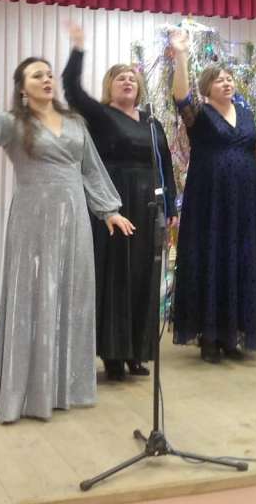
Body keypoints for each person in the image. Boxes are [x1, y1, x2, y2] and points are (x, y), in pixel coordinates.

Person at [0, 37, 134, 423]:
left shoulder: (75, 123)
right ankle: (23, 389)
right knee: (33, 297)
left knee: (72, 295)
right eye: (37, 75)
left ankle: (62, 386)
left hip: (75, 221)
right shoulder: (13, 124)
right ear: (22, 88)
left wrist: (109, 210)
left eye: (49, 74)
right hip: (33, 220)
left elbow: (90, 168)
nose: (47, 79)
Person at [61, 22, 178, 383]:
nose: (127, 81)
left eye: (132, 78)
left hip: (148, 206)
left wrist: (172, 208)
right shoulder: (100, 114)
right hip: (113, 202)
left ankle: (137, 352)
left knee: (144, 277)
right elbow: (71, 90)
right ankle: (113, 353)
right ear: (109, 86)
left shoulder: (152, 122)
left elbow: (165, 165)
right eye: (119, 78)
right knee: (115, 277)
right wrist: (78, 49)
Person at [169, 29, 256, 363]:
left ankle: (234, 333)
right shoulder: (199, 114)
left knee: (240, 259)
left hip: (244, 200)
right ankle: (210, 336)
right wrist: (181, 55)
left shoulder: (246, 114)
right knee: (211, 258)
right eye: (219, 80)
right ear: (207, 87)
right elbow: (181, 97)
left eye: (229, 78)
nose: (227, 82)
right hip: (210, 199)